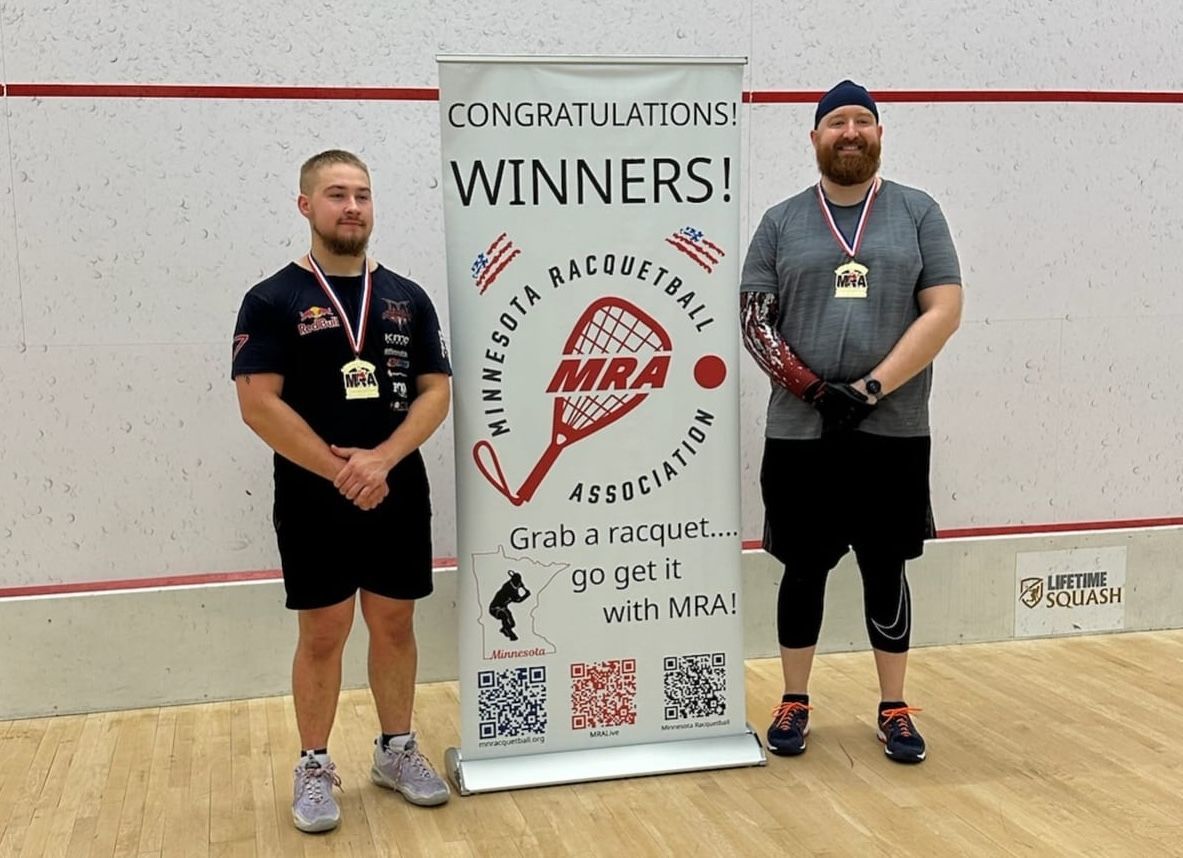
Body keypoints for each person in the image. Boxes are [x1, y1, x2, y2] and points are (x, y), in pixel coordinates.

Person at [739, 81, 962, 764]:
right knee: (801, 567)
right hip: (800, 433)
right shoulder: (779, 221)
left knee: (885, 566)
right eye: (835, 121)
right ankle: (793, 701)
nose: (848, 131)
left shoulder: (917, 212)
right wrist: (810, 388)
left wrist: (867, 389)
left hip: (890, 432)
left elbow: (943, 310)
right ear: (813, 138)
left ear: (878, 135)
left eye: (861, 121)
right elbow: (753, 319)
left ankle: (893, 707)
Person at [231, 149, 453, 831]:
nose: (351, 206)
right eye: (335, 194)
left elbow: (436, 391)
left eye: (361, 194)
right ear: (306, 206)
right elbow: (257, 403)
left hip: (395, 487)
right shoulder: (272, 299)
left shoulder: (405, 297)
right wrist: (344, 472)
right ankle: (314, 763)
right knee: (323, 630)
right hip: (312, 495)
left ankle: (395, 750)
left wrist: (381, 460)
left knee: (394, 622)